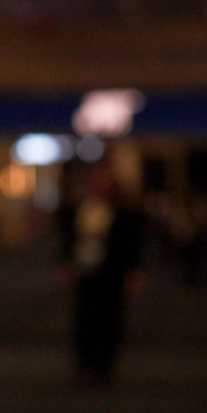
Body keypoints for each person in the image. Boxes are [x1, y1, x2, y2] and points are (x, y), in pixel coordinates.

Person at [64, 159, 146, 384]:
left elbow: (132, 243)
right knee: (84, 319)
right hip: (86, 270)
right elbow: (70, 237)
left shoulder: (124, 211)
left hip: (112, 272)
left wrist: (134, 271)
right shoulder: (81, 207)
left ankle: (104, 366)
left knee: (110, 320)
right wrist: (67, 263)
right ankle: (85, 364)